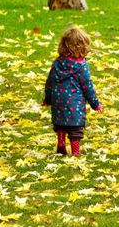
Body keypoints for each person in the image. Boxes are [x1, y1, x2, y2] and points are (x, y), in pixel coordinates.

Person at [43, 25, 103, 156]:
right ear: (82, 47)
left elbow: (50, 83)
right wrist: (95, 104)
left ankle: (61, 143)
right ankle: (76, 152)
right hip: (74, 104)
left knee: (60, 124)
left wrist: (47, 99)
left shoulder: (57, 63)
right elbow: (87, 87)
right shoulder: (81, 66)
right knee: (75, 129)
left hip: (58, 101)